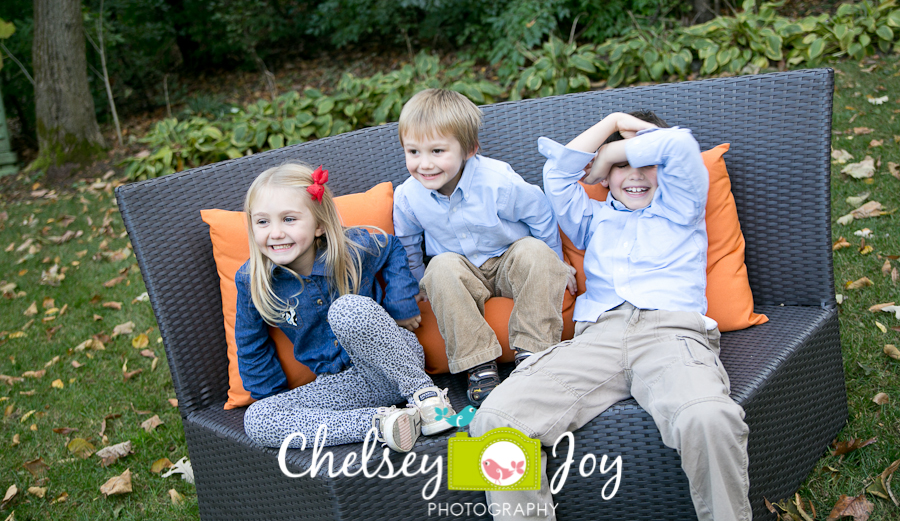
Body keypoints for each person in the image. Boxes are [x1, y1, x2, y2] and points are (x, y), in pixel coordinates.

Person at [470, 111, 751, 521]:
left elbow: (680, 146)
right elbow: (557, 175)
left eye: (645, 162)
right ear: (603, 176)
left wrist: (615, 150)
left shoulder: (682, 206)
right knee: (492, 420)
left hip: (670, 336)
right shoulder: (591, 218)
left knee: (708, 416)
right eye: (620, 166)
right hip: (595, 340)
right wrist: (612, 122)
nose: (634, 174)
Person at [236, 162, 456, 454]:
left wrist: (401, 304)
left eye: (289, 219)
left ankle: (427, 399)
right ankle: (385, 424)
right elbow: (251, 344)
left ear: (318, 225)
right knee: (258, 418)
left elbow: (391, 247)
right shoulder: (253, 280)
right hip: (345, 387)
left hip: (395, 360)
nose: (275, 233)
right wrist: (273, 399)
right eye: (263, 222)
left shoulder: (353, 248)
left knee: (346, 309)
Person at [392, 88, 576, 408]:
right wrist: (417, 281)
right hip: (461, 270)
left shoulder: (497, 180)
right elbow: (407, 241)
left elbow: (540, 213)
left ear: (470, 149)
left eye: (437, 151)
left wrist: (557, 261)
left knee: (535, 253)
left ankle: (534, 355)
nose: (424, 164)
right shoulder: (409, 196)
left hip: (507, 259)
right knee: (440, 268)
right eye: (413, 152)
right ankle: (478, 365)